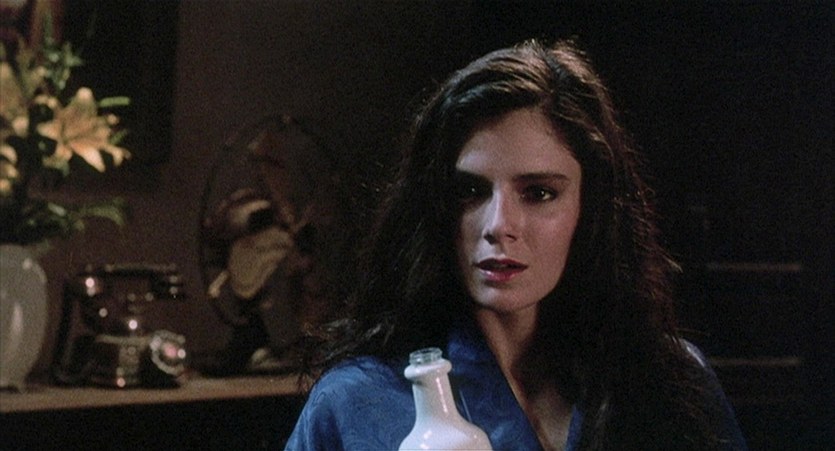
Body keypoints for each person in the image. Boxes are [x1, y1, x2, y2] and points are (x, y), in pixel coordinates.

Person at [284, 39, 747, 450]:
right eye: (470, 191)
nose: (499, 225)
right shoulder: (357, 404)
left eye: (539, 193)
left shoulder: (669, 383)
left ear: (590, 207)